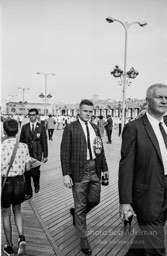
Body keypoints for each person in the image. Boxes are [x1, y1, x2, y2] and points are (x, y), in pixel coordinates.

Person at [119, 83, 167, 256]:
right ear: (148, 100)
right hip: (147, 197)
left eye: (166, 98)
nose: (164, 101)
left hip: (165, 194)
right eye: (159, 97)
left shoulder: (166, 125)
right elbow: (126, 167)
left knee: (144, 241)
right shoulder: (134, 128)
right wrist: (125, 201)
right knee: (156, 250)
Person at [60, 99, 109, 256]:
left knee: (95, 199)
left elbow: (100, 149)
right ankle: (83, 238)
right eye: (85, 111)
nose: (88, 113)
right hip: (79, 171)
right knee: (80, 205)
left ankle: (77, 214)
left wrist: (105, 168)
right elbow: (65, 153)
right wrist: (66, 174)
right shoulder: (70, 128)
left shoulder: (95, 127)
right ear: (79, 111)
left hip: (95, 168)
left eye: (90, 111)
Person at [1, 118, 31, 256]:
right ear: (18, 130)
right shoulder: (23, 146)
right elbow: (28, 166)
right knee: (17, 211)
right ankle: (22, 239)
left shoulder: (1, 147)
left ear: (4, 131)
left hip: (5, 183)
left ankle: (9, 246)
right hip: (20, 182)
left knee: (6, 214)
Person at [20, 108, 48, 200]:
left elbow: (44, 142)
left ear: (36, 116)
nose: (31, 116)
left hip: (37, 153)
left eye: (33, 115)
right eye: (30, 115)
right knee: (27, 174)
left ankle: (36, 184)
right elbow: (21, 141)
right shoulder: (25, 127)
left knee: (35, 173)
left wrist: (45, 155)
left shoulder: (41, 127)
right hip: (27, 154)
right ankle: (28, 192)